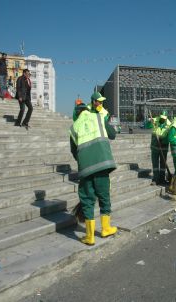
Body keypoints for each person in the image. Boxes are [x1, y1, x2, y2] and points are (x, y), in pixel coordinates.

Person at [69, 102, 118, 245]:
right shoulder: (98, 118)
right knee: (104, 195)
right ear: (87, 110)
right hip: (103, 164)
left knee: (87, 199)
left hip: (86, 168)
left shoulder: (73, 127)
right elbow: (113, 134)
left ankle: (89, 237)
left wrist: (85, 160)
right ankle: (106, 228)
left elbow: (73, 151)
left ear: (76, 114)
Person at [146, 110, 171, 185]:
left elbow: (169, 136)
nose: (162, 119)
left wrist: (163, 140)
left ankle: (162, 179)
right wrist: (149, 122)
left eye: (164, 118)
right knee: (155, 163)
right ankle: (155, 179)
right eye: (161, 118)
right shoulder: (155, 120)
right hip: (154, 145)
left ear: (166, 118)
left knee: (163, 164)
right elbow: (147, 126)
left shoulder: (169, 124)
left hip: (164, 146)